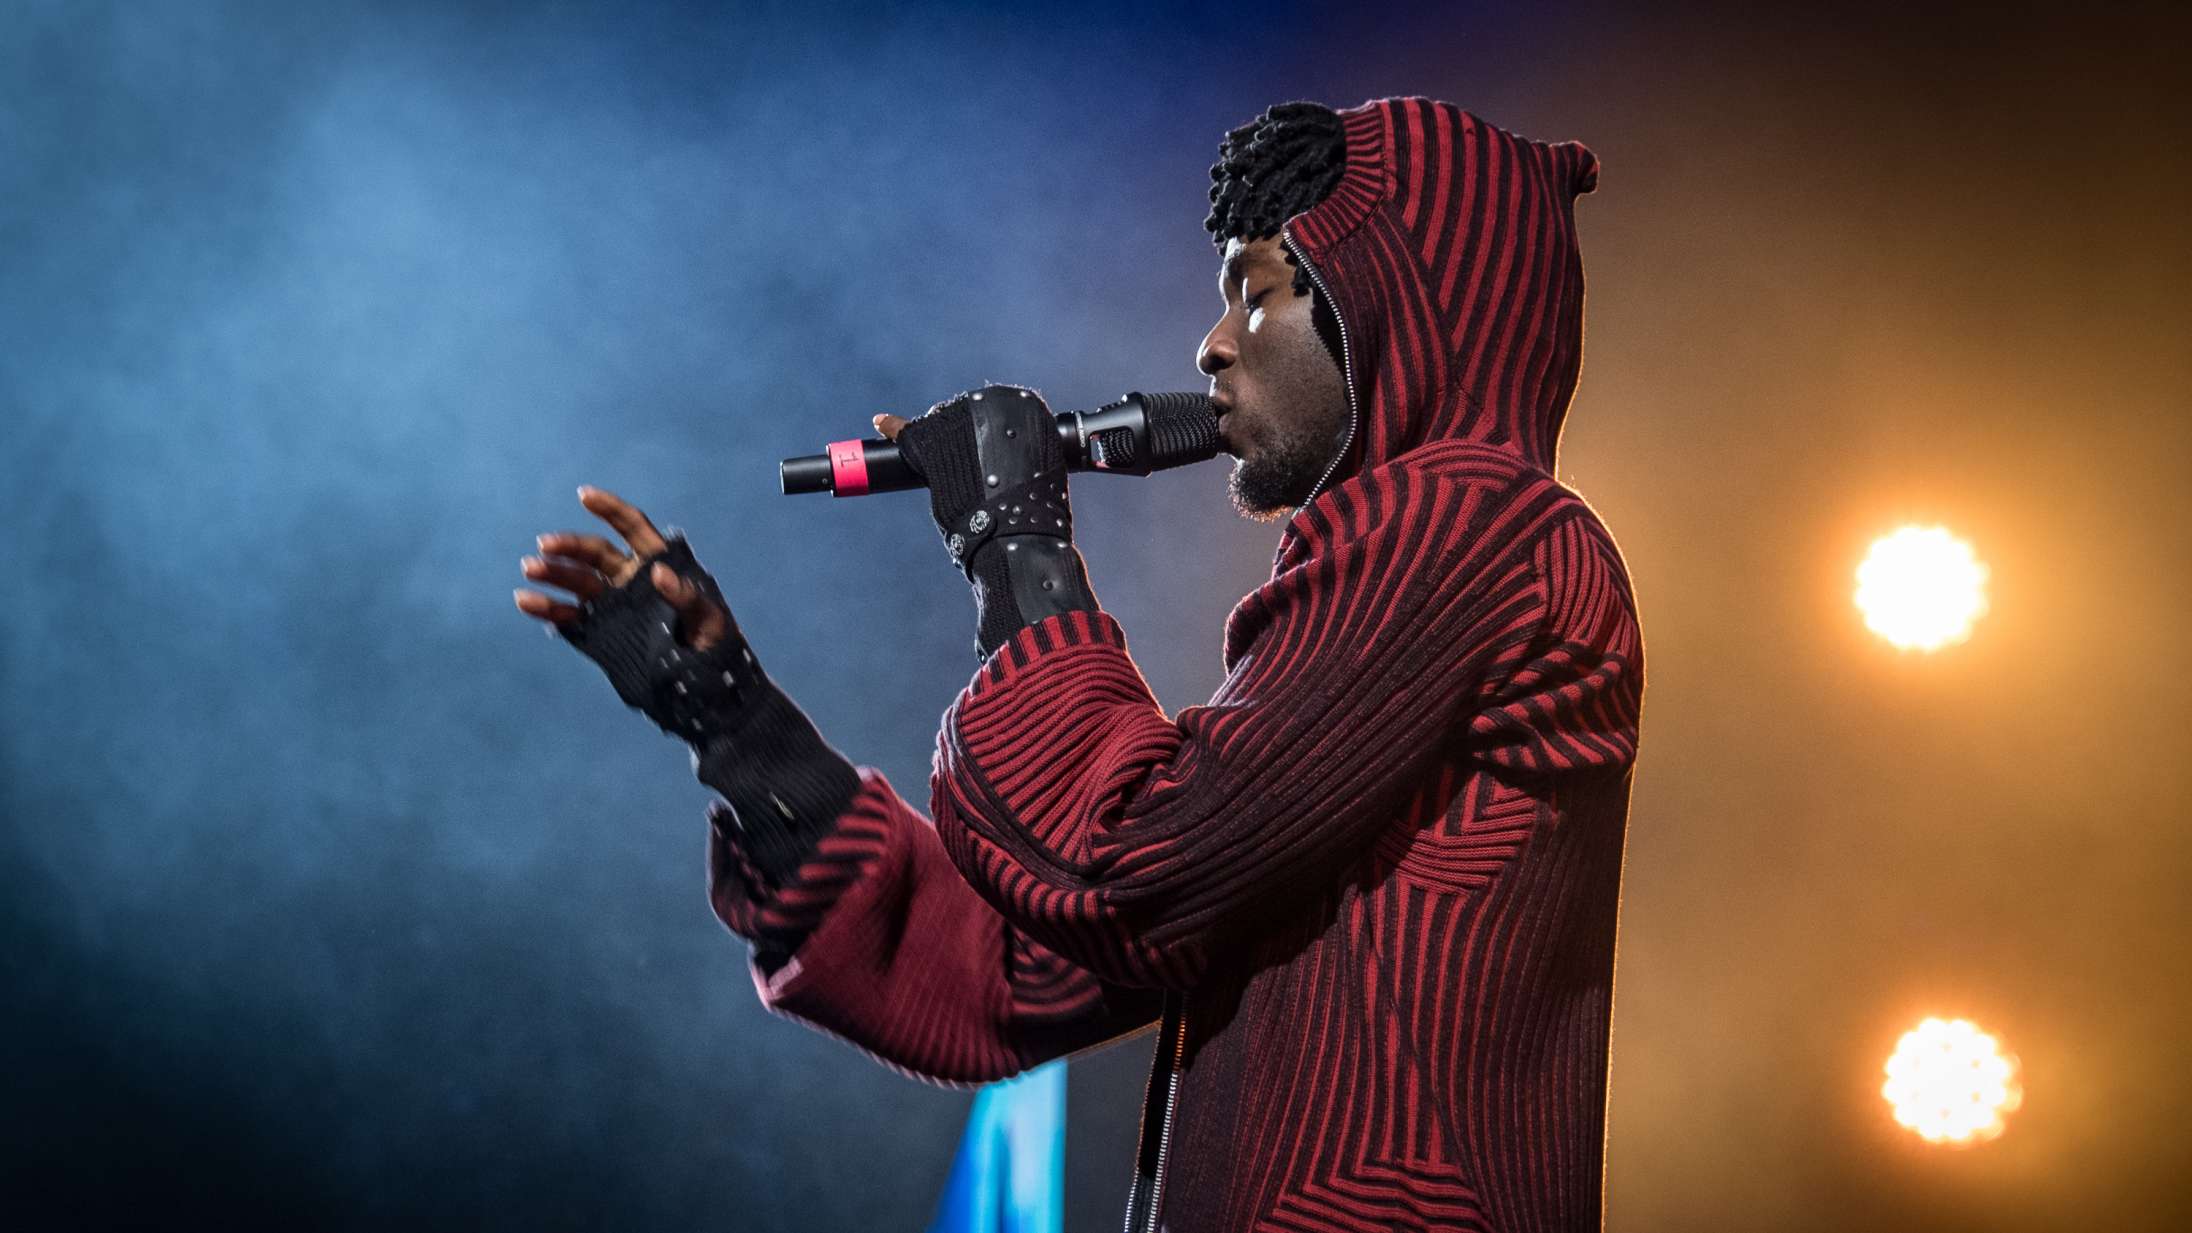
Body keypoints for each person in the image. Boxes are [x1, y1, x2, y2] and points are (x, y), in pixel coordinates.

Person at [514, 96, 1643, 1233]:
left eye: (1255, 293)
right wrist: (734, 721)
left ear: (1387, 296)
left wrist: (1017, 546)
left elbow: (1129, 865)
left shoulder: (1476, 526)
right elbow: (1014, 968)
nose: (1208, 347)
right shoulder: (1408, 592)